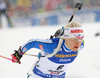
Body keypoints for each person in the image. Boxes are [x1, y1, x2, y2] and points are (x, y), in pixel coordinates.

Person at [11, 21, 84, 78]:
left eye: (80, 39)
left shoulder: (80, 46)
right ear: (66, 37)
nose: (78, 43)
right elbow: (32, 42)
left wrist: (62, 31)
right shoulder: (52, 46)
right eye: (75, 39)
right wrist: (19, 53)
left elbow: (81, 42)